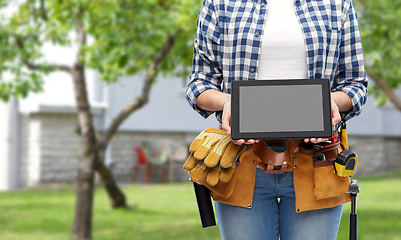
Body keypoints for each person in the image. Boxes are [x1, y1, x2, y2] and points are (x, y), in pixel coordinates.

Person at [185, 0, 368, 239]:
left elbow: (355, 85)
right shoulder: (220, 4)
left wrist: (328, 102)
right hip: (242, 160)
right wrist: (228, 102)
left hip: (316, 161)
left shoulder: (337, 4)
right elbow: (199, 84)